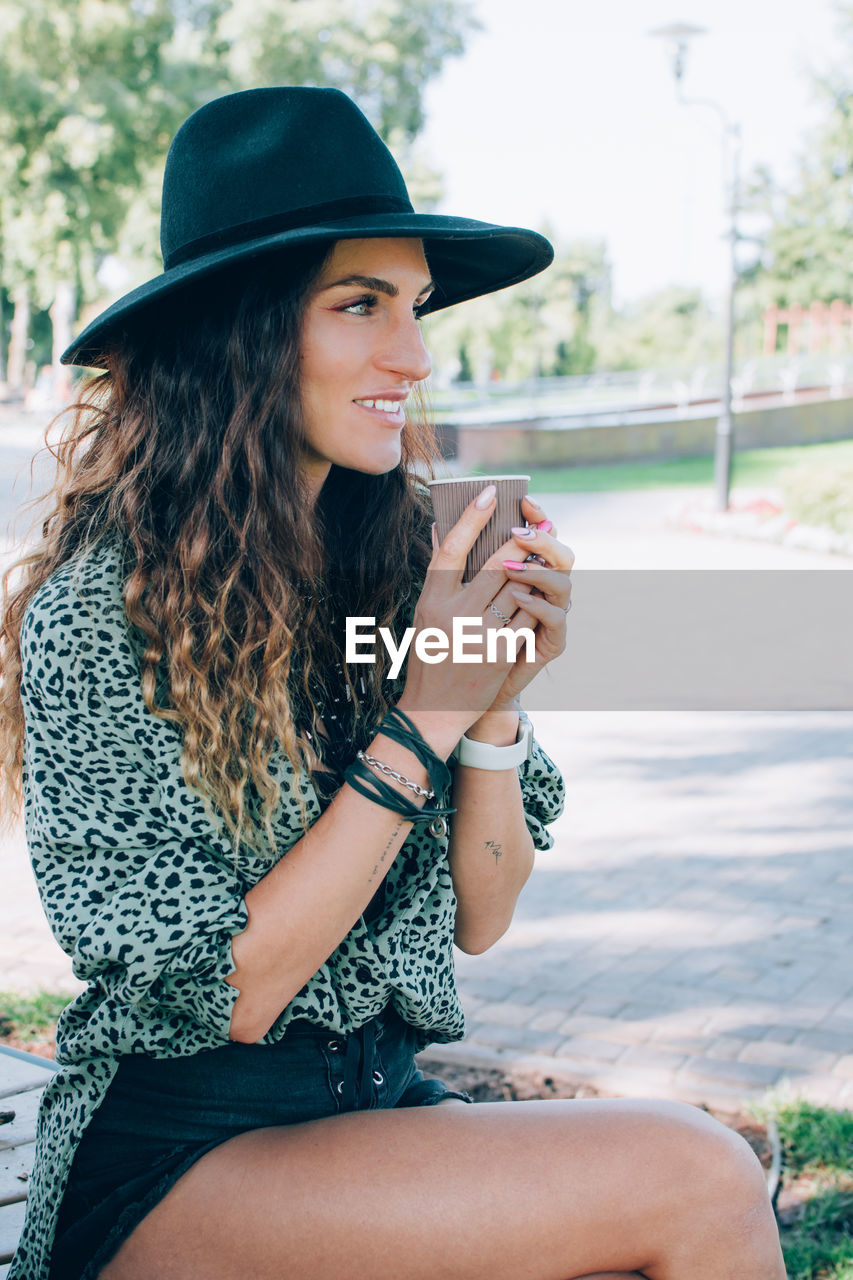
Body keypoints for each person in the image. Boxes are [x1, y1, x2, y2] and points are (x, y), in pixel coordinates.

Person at [0, 87, 785, 1280]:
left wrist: (493, 703)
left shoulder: (392, 578)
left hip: (372, 1112)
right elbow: (236, 993)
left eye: (413, 306)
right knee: (698, 1174)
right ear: (241, 332)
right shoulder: (99, 622)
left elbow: (484, 911)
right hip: (177, 1156)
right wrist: (425, 709)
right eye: (359, 304)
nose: (412, 354)